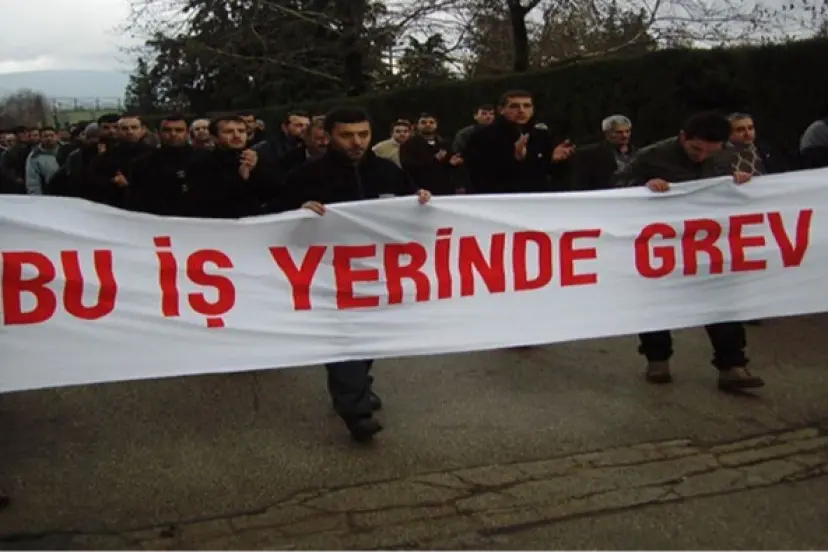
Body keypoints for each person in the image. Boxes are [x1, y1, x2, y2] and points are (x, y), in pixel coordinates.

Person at [281, 106, 432, 442]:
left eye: (363, 134)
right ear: (329, 135)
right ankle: (355, 411)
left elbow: (410, 206)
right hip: (327, 274)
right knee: (343, 339)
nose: (356, 142)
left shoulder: (387, 171)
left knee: (368, 334)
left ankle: (359, 384)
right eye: (347, 135)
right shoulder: (306, 175)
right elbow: (275, 220)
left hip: (376, 272)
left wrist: (421, 201)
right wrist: (297, 211)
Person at [620, 111, 764, 391]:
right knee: (655, 301)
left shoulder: (725, 156)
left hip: (707, 241)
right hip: (660, 243)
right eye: (696, 149)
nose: (702, 156)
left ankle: (732, 364)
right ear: (683, 137)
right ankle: (657, 358)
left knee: (721, 301)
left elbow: (727, 190)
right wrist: (642, 187)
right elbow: (616, 186)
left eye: (710, 151)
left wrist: (737, 182)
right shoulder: (651, 156)